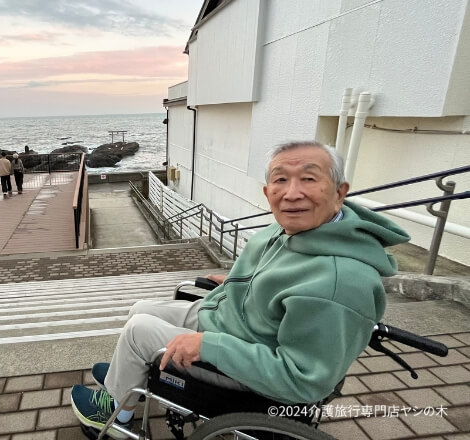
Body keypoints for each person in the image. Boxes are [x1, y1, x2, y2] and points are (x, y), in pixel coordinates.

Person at [70, 141, 410, 438]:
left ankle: (117, 414)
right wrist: (238, 280)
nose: (292, 193)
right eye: (280, 180)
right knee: (139, 310)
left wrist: (211, 346)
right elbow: (275, 273)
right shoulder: (295, 229)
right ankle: (130, 381)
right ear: (267, 192)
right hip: (231, 320)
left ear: (339, 192)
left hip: (247, 360)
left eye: (309, 178)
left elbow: (302, 380)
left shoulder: (338, 281)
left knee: (137, 331)